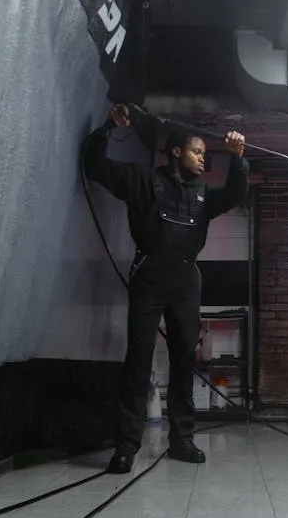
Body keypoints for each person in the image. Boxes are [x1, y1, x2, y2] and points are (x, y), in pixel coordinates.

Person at [83, 103, 249, 474]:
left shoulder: (205, 195)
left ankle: (182, 440)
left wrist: (238, 159)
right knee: (138, 360)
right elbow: (95, 166)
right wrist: (108, 128)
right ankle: (125, 447)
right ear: (176, 152)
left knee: (183, 360)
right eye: (196, 152)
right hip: (150, 275)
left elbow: (235, 193)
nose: (203, 160)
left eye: (205, 154)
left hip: (187, 280)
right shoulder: (142, 181)